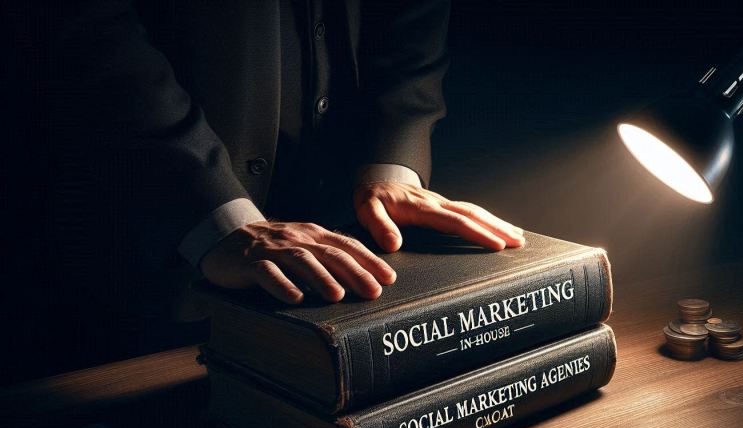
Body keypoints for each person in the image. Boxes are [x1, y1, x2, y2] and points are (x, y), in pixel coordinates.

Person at [2, 0, 523, 378]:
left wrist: (394, 159)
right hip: (137, 266)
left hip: (342, 243)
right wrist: (213, 212)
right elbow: (85, 24)